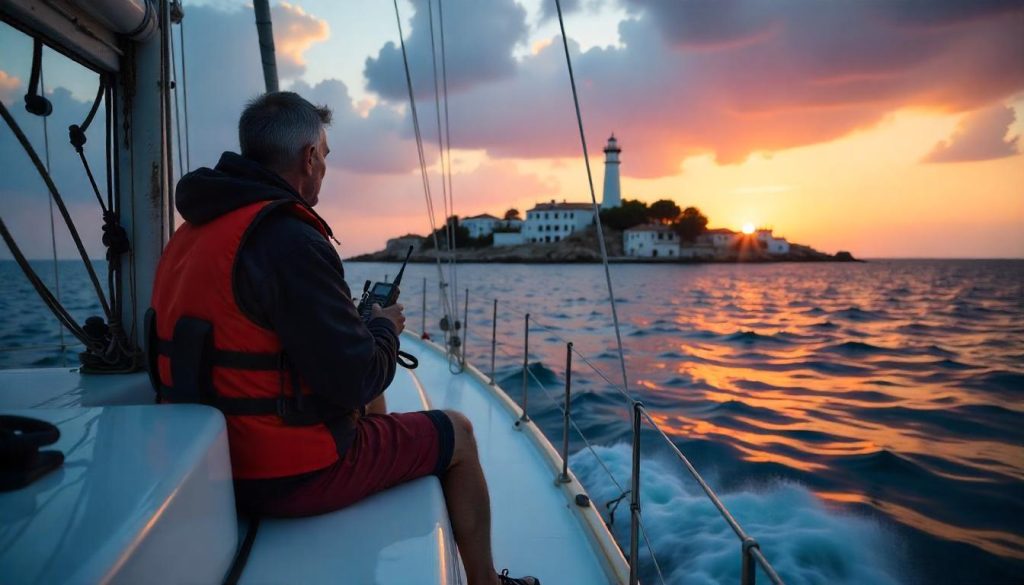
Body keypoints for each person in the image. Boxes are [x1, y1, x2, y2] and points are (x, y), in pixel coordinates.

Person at [147, 92, 537, 585]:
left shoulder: (190, 233)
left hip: (202, 468)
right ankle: (486, 581)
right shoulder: (290, 239)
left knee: (369, 401)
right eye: (326, 155)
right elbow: (357, 378)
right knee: (458, 432)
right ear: (309, 157)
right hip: (278, 475)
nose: (326, 168)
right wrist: (383, 328)